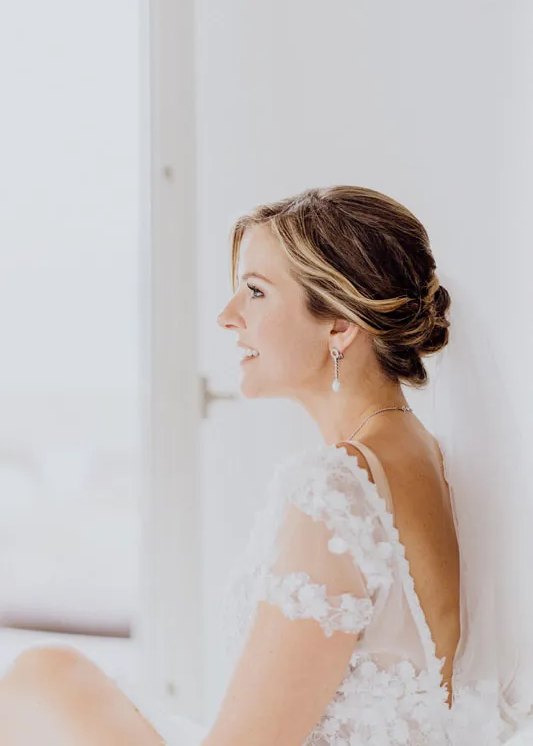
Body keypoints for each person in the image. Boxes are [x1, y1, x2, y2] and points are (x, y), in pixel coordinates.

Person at [0, 185, 529, 744]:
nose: (228, 316)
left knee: (41, 680)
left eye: (255, 291)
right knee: (52, 674)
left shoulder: (338, 491)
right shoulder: (438, 462)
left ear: (339, 325)